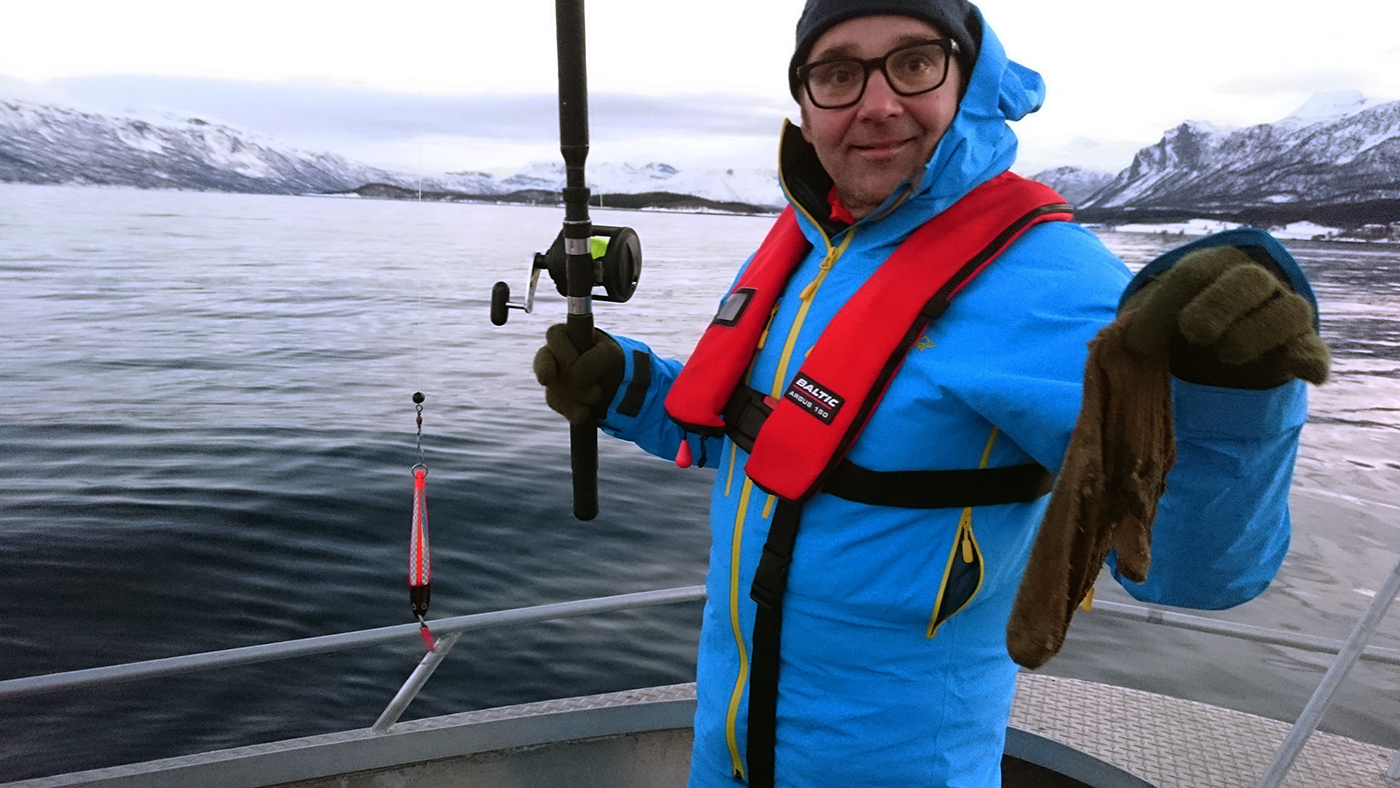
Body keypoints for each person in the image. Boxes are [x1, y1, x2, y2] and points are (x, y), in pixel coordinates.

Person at [533, 1, 1328, 786]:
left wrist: (1234, 396)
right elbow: (764, 441)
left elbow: (1195, 570)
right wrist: (628, 385)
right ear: (806, 110)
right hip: (730, 753)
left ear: (969, 80)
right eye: (838, 74)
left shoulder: (1048, 282)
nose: (877, 104)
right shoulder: (812, 251)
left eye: (913, 63)